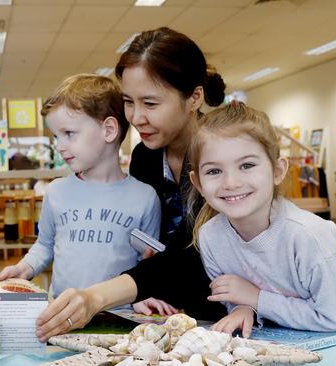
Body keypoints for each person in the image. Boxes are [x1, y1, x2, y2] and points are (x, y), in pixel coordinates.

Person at [35, 27, 227, 342]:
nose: (136, 118)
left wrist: (101, 294)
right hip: (163, 318)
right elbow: (147, 247)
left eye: (150, 104)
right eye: (128, 102)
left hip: (220, 318)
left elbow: (195, 255)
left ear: (194, 97)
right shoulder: (146, 157)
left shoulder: (221, 159)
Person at [187, 101, 336, 337]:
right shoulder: (210, 237)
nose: (230, 183)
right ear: (198, 183)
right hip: (292, 338)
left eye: (247, 165)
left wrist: (255, 299)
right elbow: (237, 295)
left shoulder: (308, 235)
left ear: (277, 171)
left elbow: (333, 317)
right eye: (214, 171)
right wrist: (244, 307)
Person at [0, 74, 161, 301]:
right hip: (63, 316)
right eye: (56, 136)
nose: (60, 146)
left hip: (120, 320)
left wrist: (148, 295)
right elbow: (45, 245)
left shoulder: (145, 197)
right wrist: (24, 268)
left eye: (69, 134)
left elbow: (147, 264)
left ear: (108, 130)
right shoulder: (56, 192)